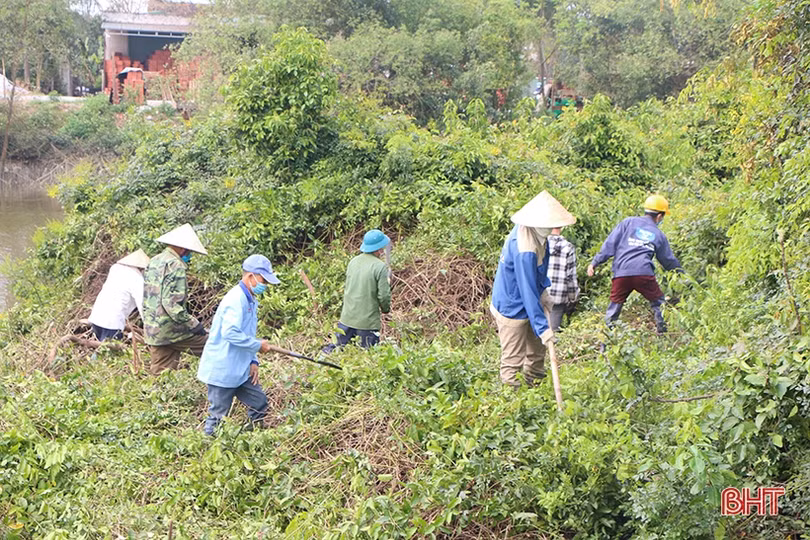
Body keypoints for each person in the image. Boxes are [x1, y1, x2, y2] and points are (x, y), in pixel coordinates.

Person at [490, 191, 576, 387]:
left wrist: (544, 289)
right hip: (512, 306)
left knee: (537, 354)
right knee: (513, 362)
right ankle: (511, 407)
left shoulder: (539, 235)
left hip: (531, 300)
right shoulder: (524, 249)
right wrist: (543, 327)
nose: (554, 227)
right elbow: (526, 290)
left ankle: (534, 395)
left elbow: (537, 273)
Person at [197, 255, 280, 436]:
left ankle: (252, 437)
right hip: (223, 368)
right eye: (263, 280)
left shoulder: (251, 299)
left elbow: (248, 333)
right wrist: (258, 346)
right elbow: (230, 333)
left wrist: (254, 360)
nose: (264, 285)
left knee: (259, 402)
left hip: (241, 368)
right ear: (251, 276)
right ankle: (208, 450)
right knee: (218, 414)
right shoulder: (236, 299)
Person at [587, 194, 681, 334]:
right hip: (643, 273)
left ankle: (605, 344)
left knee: (614, 308)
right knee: (658, 303)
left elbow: (610, 244)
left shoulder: (628, 222)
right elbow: (668, 260)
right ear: (660, 216)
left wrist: (595, 262)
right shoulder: (658, 234)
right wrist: (682, 274)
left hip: (621, 273)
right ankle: (663, 335)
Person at [143, 223, 209, 375]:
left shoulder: (154, 261)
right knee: (215, 346)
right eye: (189, 251)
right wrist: (194, 324)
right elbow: (172, 304)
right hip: (172, 331)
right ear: (183, 248)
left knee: (161, 377)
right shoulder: (176, 265)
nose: (189, 255)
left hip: (154, 331)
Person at [323, 229, 391, 352]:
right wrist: (386, 309)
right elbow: (384, 296)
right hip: (367, 321)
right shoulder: (379, 267)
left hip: (347, 318)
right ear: (379, 248)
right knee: (369, 355)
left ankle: (319, 363)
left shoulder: (353, 262)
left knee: (336, 349)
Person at [88, 249, 150, 341]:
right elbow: (142, 304)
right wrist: (149, 327)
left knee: (100, 348)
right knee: (111, 351)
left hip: (97, 316)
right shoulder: (136, 278)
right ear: (142, 268)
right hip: (112, 322)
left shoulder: (116, 268)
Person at [546, 228, 580, 332]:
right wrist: (573, 298)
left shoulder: (540, 244)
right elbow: (570, 277)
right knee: (553, 333)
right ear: (562, 227)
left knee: (536, 334)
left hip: (539, 294)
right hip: (557, 297)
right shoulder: (568, 247)